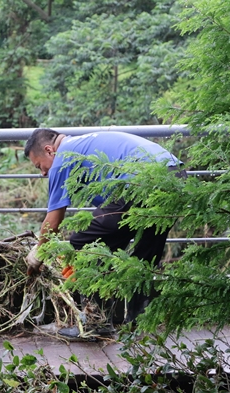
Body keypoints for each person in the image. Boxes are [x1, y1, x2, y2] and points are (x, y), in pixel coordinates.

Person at [24, 128, 183, 336]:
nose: (43, 173)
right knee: (144, 254)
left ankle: (95, 322)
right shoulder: (83, 144)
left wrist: (39, 252)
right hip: (175, 175)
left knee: (85, 245)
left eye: (40, 166)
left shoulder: (64, 156)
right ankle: (140, 325)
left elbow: (54, 219)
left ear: (49, 150)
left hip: (142, 181)